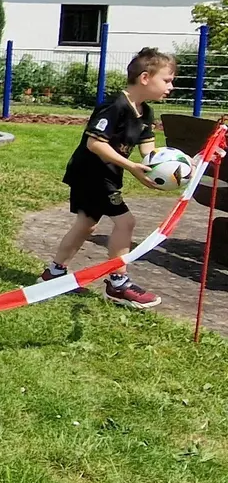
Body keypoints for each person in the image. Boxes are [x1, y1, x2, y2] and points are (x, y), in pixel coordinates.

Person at [39, 48, 175, 309]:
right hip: (91, 173)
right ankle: (118, 282)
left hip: (107, 174)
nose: (171, 86)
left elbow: (150, 152)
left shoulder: (145, 113)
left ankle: (53, 274)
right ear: (145, 78)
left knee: (86, 225)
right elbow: (95, 144)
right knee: (126, 223)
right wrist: (131, 166)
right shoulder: (115, 106)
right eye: (167, 80)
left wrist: (181, 165)